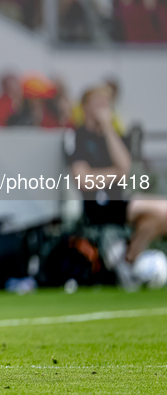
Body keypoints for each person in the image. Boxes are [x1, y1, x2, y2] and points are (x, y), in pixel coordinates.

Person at [65, 86, 167, 284]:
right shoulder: (78, 137)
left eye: (107, 104)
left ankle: (128, 260)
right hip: (98, 204)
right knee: (164, 209)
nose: (104, 108)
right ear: (85, 107)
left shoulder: (112, 136)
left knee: (157, 217)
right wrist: (116, 173)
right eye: (99, 103)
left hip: (121, 199)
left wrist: (108, 127)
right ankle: (129, 260)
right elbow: (84, 180)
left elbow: (125, 169)